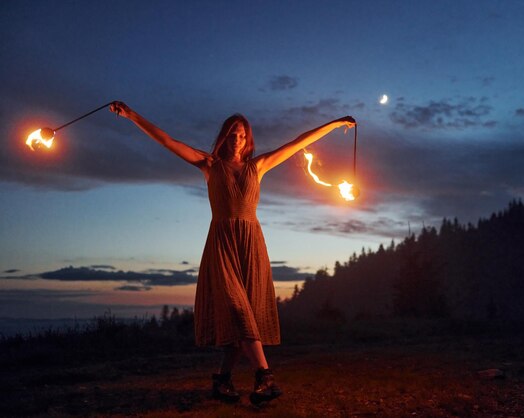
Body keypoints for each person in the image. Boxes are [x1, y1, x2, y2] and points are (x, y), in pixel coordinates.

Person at [110, 101, 355, 405]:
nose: (237, 139)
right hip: (223, 244)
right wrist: (132, 115)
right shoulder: (209, 165)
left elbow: (296, 143)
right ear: (224, 137)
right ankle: (265, 377)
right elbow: (167, 141)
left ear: (247, 139)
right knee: (239, 311)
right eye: (232, 134)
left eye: (242, 135)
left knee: (245, 317)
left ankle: (222, 380)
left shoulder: (259, 166)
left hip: (252, 244)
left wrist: (333, 124)